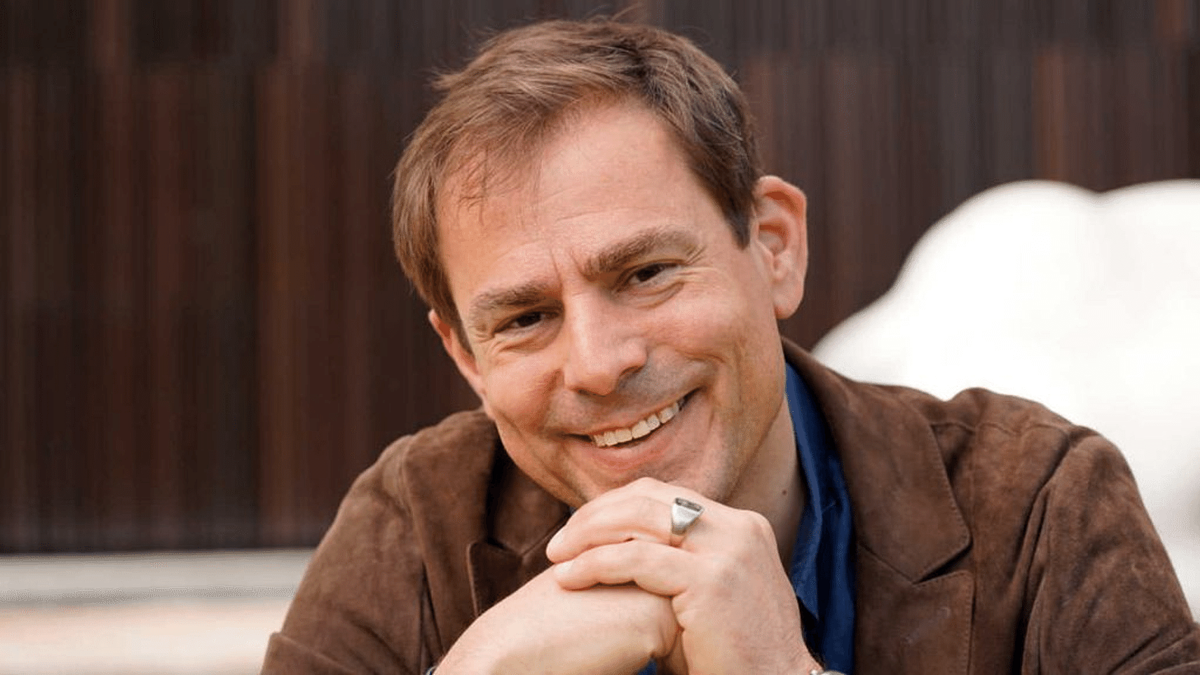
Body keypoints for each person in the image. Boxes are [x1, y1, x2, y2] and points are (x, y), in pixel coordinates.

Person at [262, 18, 1200, 675]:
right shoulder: (413, 524)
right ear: (467, 357)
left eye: (645, 272)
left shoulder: (1037, 500)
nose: (598, 363)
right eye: (524, 319)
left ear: (775, 247)